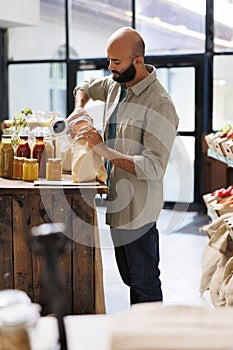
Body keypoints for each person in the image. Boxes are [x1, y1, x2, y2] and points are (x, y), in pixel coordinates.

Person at [67, 27, 179, 305]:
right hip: (117, 206)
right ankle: (137, 333)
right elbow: (84, 86)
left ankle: (148, 341)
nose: (110, 67)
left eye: (116, 62)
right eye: (109, 60)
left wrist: (101, 148)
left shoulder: (160, 104)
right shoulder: (117, 84)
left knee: (145, 283)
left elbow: (154, 166)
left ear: (138, 61)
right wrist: (80, 107)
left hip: (139, 211)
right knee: (131, 278)